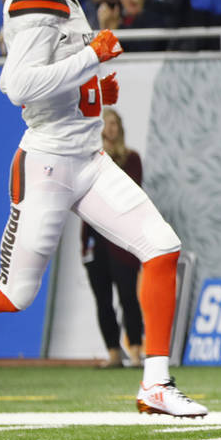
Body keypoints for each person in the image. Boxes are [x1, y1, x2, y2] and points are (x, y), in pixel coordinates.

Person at [0, 0, 205, 417]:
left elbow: (56, 76)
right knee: (15, 294)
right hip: (50, 163)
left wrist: (93, 86)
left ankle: (157, 384)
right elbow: (18, 85)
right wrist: (91, 59)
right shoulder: (35, 1)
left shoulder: (61, 0)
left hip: (87, 156)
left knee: (162, 247)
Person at [82, 108, 145, 368]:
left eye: (115, 123)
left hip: (122, 240)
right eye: (107, 124)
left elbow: (129, 192)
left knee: (129, 296)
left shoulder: (131, 159)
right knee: (103, 299)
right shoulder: (89, 160)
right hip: (95, 240)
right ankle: (112, 352)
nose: (111, 128)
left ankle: (136, 350)